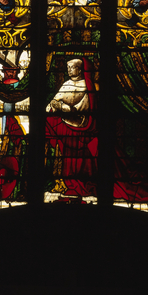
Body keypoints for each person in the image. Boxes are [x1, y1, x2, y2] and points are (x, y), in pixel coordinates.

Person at [45, 57, 97, 197]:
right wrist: (57, 106)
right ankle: (61, 182)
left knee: (77, 156)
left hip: (79, 126)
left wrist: (65, 108)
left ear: (79, 69)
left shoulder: (87, 86)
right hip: (65, 123)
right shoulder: (66, 84)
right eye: (68, 67)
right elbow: (54, 101)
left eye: (72, 67)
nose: (69, 70)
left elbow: (83, 108)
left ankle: (76, 181)